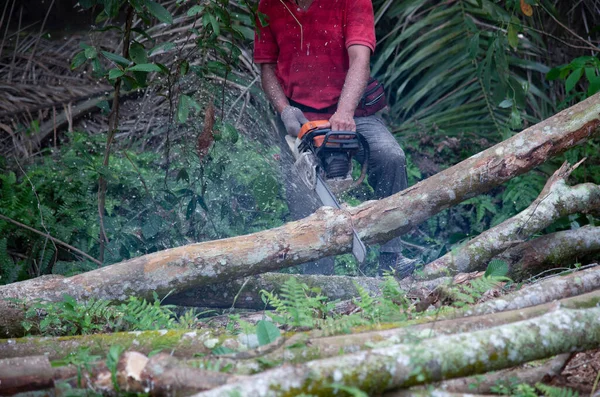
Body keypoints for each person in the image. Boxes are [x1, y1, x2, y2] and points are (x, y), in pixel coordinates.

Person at [254, 0, 416, 277]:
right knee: (301, 189)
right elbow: (267, 67)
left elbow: (360, 60)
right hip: (300, 116)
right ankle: (318, 279)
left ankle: (392, 257)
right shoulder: (269, 5)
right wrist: (284, 111)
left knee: (390, 156)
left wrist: (344, 113)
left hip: (353, 109)